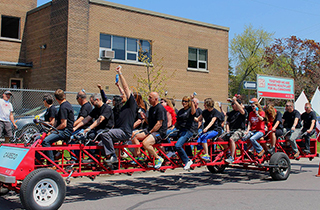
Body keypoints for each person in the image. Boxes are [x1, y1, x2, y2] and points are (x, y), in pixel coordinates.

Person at [99, 66, 138, 163]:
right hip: (119, 130)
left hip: (125, 132)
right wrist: (117, 86)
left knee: (105, 134)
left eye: (123, 95)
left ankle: (113, 156)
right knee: (100, 141)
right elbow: (123, 91)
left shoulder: (131, 105)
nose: (121, 96)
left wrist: (120, 73)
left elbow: (125, 89)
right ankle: (108, 162)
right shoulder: (121, 108)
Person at [131, 92, 167, 169]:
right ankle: (139, 156)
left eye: (150, 97)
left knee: (145, 143)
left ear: (156, 99)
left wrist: (150, 133)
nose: (148, 99)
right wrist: (145, 118)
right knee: (133, 135)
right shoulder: (151, 109)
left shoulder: (160, 108)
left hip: (159, 132)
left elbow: (159, 124)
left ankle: (158, 158)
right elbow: (149, 123)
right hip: (150, 130)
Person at [41, 89, 74, 162]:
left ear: (56, 98)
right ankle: (55, 154)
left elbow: (63, 124)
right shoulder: (67, 104)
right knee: (45, 139)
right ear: (64, 96)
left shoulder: (63, 107)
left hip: (65, 131)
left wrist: (53, 130)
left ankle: (51, 163)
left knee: (45, 141)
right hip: (65, 130)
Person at [170, 95, 196, 170]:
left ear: (189, 102)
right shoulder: (181, 111)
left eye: (185, 101)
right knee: (165, 134)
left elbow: (193, 112)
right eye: (183, 101)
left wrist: (192, 100)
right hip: (179, 130)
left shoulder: (190, 110)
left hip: (188, 131)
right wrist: (173, 127)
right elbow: (177, 121)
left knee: (178, 145)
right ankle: (171, 151)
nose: (184, 103)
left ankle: (187, 161)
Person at [224, 96, 247, 164]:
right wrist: (227, 130)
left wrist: (235, 101)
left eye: (233, 104)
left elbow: (242, 111)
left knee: (232, 139)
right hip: (231, 130)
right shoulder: (231, 113)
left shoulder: (242, 112)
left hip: (240, 130)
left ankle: (232, 157)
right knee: (219, 139)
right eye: (232, 104)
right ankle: (228, 152)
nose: (232, 106)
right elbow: (227, 123)